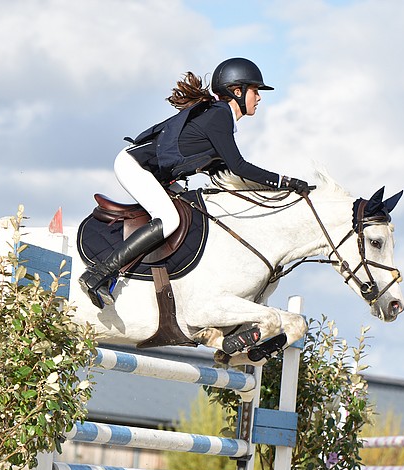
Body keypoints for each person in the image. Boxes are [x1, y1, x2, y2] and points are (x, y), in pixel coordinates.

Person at [78, 57, 312, 308]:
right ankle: (99, 274)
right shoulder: (219, 117)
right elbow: (239, 167)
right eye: (255, 90)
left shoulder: (221, 119)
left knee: (196, 210)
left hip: (158, 175)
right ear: (238, 91)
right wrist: (284, 182)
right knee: (169, 219)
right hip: (134, 166)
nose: (259, 97)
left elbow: (223, 174)